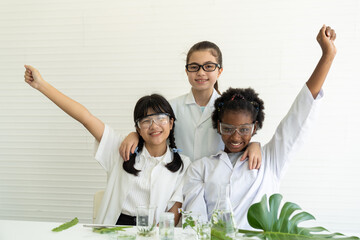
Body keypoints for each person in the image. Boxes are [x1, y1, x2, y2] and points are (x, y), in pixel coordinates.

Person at [182, 25, 337, 230]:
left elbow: (299, 115)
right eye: (228, 128)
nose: (236, 136)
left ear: (255, 128)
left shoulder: (270, 159)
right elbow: (194, 222)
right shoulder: (200, 168)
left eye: (244, 129)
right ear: (218, 126)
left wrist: (328, 55)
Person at [23, 66, 191, 226]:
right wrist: (41, 85)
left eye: (160, 118)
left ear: (171, 122)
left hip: (153, 231)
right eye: (146, 121)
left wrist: (153, 234)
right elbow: (85, 118)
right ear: (138, 129)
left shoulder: (183, 164)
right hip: (114, 228)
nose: (154, 126)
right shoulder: (122, 149)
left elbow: (174, 211)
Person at [120, 41, 262, 169]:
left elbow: (239, 137)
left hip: (216, 181)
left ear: (219, 71)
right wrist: (135, 135)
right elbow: (153, 132)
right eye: (194, 67)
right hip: (176, 181)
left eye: (208, 66)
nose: (201, 72)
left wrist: (254, 145)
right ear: (187, 70)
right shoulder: (171, 107)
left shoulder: (229, 109)